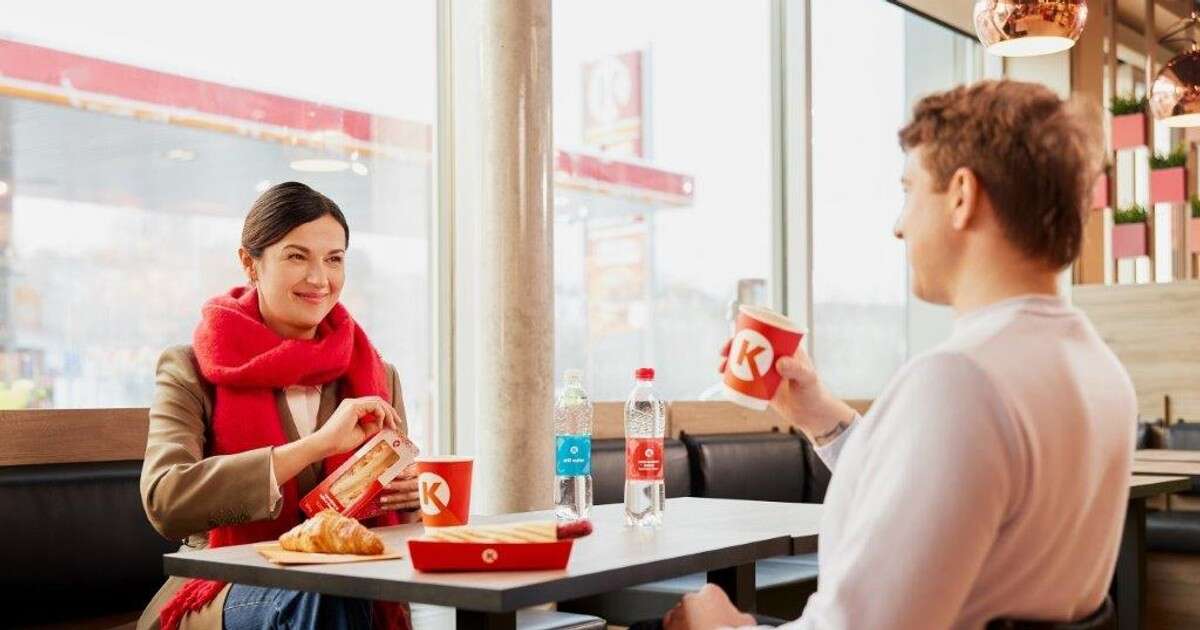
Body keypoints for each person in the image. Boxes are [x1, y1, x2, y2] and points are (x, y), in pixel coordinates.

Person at [670, 80, 1135, 628]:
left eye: (909, 190)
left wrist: (719, 626)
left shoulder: (962, 382)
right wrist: (819, 417)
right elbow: (960, 490)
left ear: (962, 195)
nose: (899, 224)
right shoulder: (1099, 371)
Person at [137, 182, 420, 630]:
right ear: (250, 263)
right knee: (330, 593)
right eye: (296, 256)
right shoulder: (189, 368)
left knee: (341, 589)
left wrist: (414, 497)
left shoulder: (377, 375)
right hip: (220, 584)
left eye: (334, 259)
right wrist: (314, 447)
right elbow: (167, 502)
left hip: (351, 583)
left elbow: (396, 524)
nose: (319, 279)